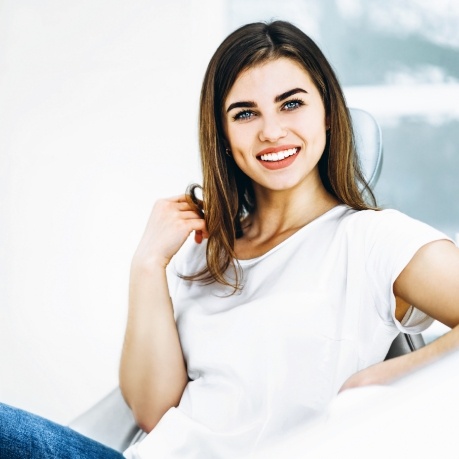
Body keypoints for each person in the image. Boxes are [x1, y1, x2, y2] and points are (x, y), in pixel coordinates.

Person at [1, 19, 458, 459]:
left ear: (329, 114)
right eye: (245, 113)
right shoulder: (206, 249)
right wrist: (147, 265)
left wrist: (382, 385)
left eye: (292, 103)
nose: (272, 130)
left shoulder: (372, 240)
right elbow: (152, 412)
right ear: (221, 133)